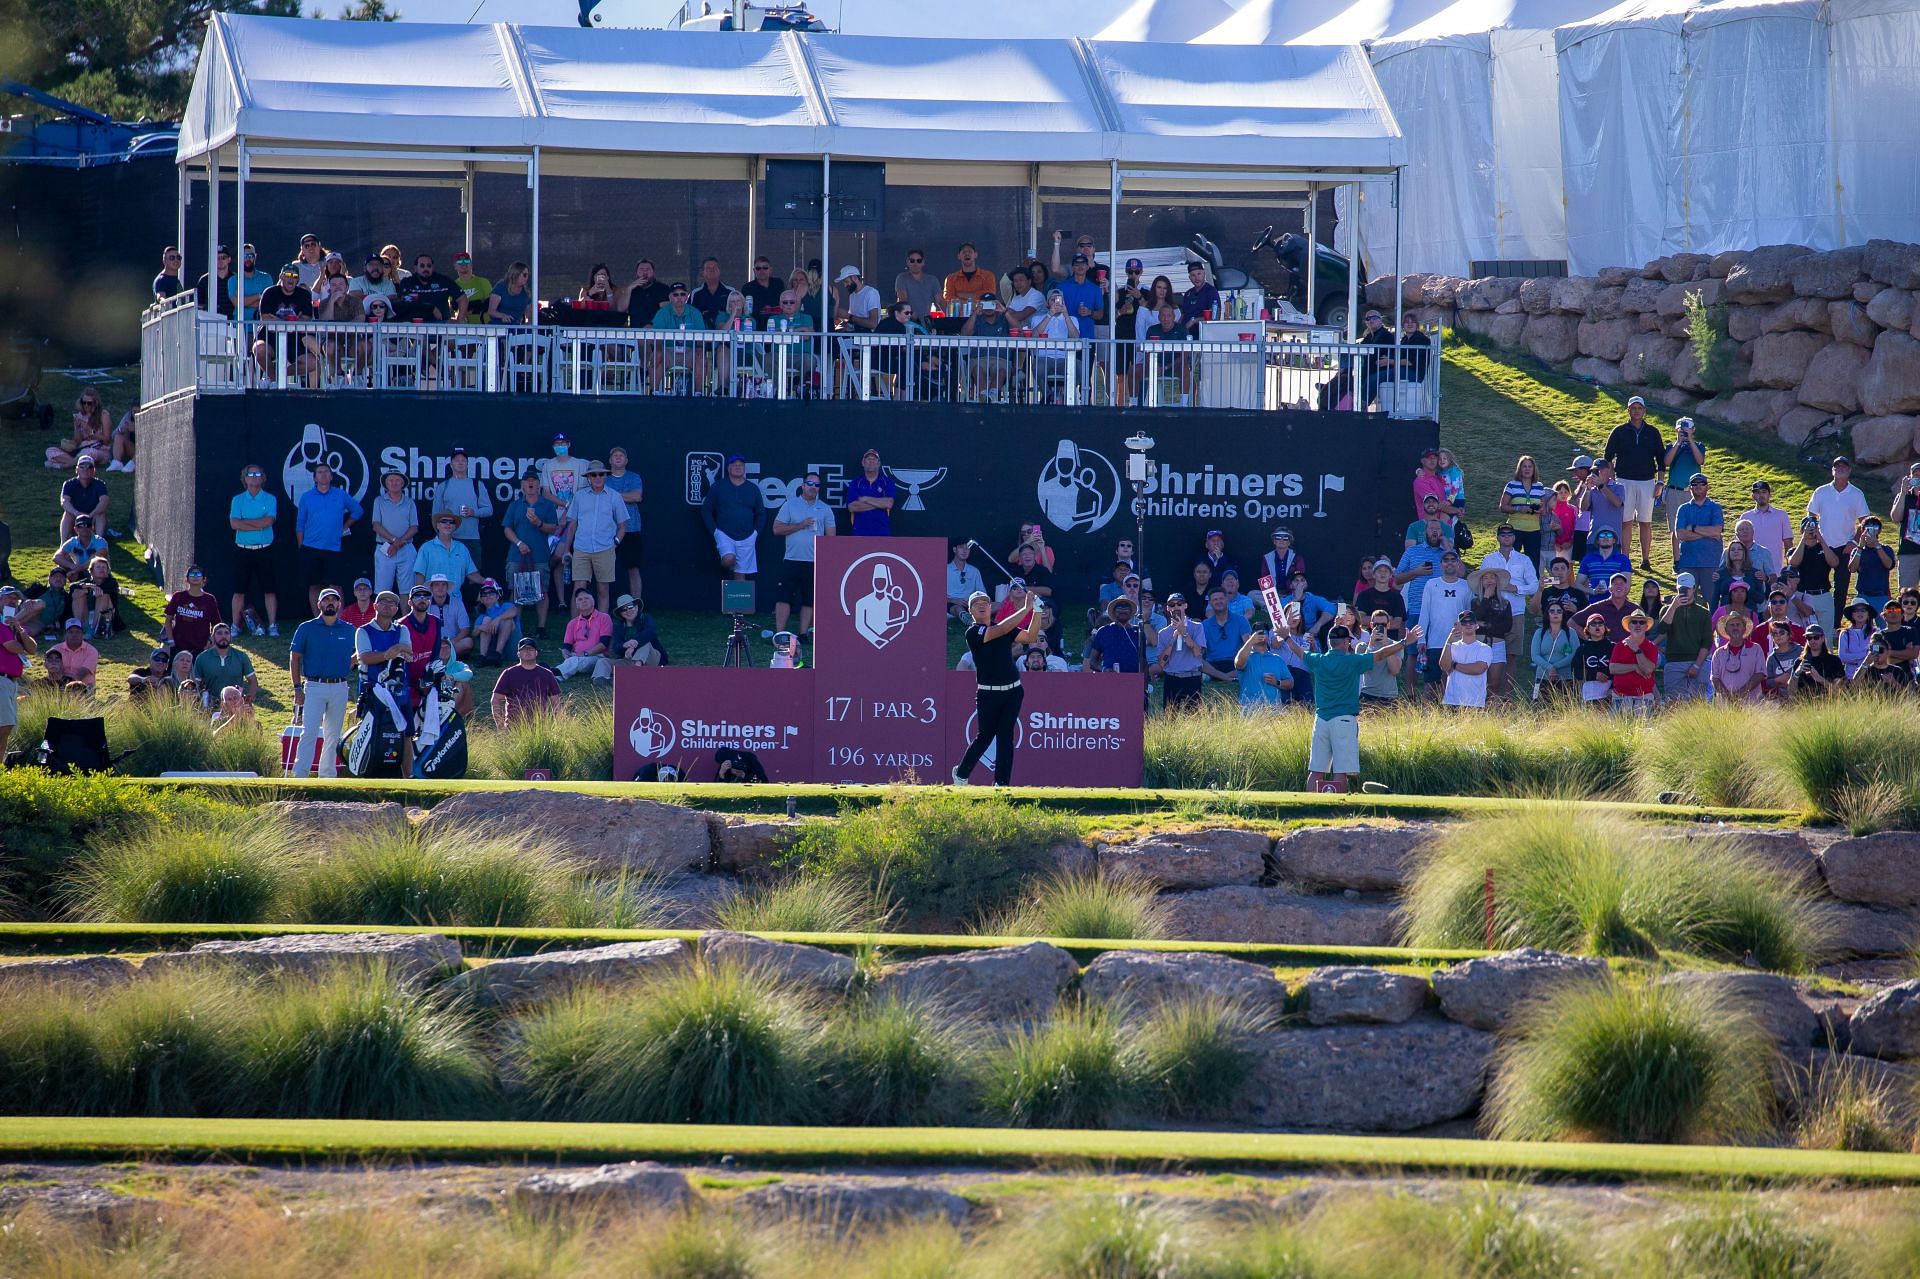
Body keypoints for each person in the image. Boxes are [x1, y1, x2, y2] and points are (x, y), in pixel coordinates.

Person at [289, 587, 355, 778]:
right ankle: (300, 774)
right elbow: (295, 657)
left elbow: (360, 653)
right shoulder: (306, 627)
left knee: (333, 734)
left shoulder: (349, 629)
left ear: (339, 604)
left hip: (339, 686)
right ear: (319, 605)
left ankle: (327, 775)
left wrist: (347, 664)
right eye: (326, 600)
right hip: (314, 685)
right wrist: (297, 688)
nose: (330, 603)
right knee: (309, 731)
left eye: (334, 600)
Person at [1602, 395, 1666, 571]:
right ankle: (1625, 559)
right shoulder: (1619, 431)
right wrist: (1613, 479)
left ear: (1644, 411)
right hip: (1624, 481)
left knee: (1645, 522)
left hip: (1647, 482)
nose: (1636, 411)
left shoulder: (1652, 432)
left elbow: (1661, 459)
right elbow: (1608, 457)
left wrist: (1660, 482)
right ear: (1628, 410)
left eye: (1639, 408)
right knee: (1626, 521)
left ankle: (1645, 560)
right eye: (1633, 408)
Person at [767, 471, 834, 638]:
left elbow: (831, 538)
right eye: (810, 484)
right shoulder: (790, 505)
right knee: (783, 597)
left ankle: (803, 633)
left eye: (817, 485)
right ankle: (780, 633)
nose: (813, 488)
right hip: (791, 559)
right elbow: (777, 529)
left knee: (809, 599)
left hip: (814, 561)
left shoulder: (825, 509)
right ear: (803, 485)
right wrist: (800, 525)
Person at [295, 461, 362, 615]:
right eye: (320, 472)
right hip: (310, 547)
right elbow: (300, 523)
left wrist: (345, 526)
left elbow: (358, 510)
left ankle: (340, 619)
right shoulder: (307, 497)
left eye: (326, 472)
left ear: (331, 476)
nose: (323, 474)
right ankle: (317, 619)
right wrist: (301, 545)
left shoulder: (340, 494)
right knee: (313, 586)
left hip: (333, 547)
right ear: (314, 478)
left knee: (336, 586)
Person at [564, 460, 626, 613]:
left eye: (601, 474)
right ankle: (574, 631)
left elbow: (623, 525)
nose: (597, 477)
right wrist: (566, 549)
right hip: (581, 548)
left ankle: (602, 632)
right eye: (594, 474)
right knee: (578, 590)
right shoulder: (579, 496)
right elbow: (572, 524)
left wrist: (615, 543)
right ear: (589, 477)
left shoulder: (615, 496)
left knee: (603, 590)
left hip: (605, 548)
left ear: (605, 476)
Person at [503, 471, 560, 638]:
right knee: (515, 591)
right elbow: (507, 528)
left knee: (542, 592)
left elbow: (553, 528)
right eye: (527, 481)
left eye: (534, 481)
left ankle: (541, 628)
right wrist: (519, 543)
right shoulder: (515, 505)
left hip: (540, 556)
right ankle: (516, 627)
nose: (530, 484)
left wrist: (539, 523)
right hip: (516, 555)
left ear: (538, 485)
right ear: (522, 485)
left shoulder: (547, 505)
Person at [1808, 456, 1870, 606]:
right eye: (1837, 467)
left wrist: (1854, 542)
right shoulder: (1821, 492)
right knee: (1818, 585)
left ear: (1849, 471)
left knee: (1841, 588)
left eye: (1844, 467)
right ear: (1832, 471)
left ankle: (1836, 624)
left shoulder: (1856, 494)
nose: (1840, 469)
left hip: (1845, 548)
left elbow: (1865, 521)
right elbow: (1811, 514)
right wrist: (1815, 536)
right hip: (1823, 545)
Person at [1417, 549, 1473, 695]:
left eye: (1453, 560)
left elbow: (1469, 616)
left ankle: (1448, 714)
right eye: (1446, 560)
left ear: (1458, 563)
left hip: (1458, 643)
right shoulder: (1431, 584)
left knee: (1452, 684)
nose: (1449, 563)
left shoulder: (1466, 586)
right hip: (1435, 642)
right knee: (1430, 684)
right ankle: (1427, 716)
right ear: (1441, 564)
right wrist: (1421, 639)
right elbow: (1424, 613)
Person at [430, 447, 494, 569]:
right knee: (449, 575)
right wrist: (441, 537)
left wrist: (473, 512)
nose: (460, 463)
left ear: (467, 464)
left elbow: (489, 510)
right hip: (450, 539)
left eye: (463, 460)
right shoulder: (443, 486)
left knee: (473, 577)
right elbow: (435, 515)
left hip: (471, 539)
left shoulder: (477, 485)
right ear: (451, 464)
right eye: (457, 460)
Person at [702, 453, 762, 581]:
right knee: (729, 559)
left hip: (747, 536)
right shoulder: (718, 487)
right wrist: (715, 531)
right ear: (728, 468)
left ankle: (739, 601)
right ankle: (726, 568)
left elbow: (761, 513)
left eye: (741, 465)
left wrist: (756, 533)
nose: (738, 467)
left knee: (741, 574)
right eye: (734, 465)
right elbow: (706, 510)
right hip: (724, 534)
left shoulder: (753, 488)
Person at [1658, 572, 1714, 701]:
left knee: (1700, 703)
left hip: (1698, 662)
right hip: (1674, 662)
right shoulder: (1666, 610)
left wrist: (1697, 665)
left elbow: (1707, 642)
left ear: (1694, 588)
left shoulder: (1703, 613)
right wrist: (1674, 606)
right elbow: (1662, 629)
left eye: (1686, 589)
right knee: (1673, 703)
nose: (1684, 592)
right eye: (1680, 589)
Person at [603, 446, 645, 602]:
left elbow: (636, 497)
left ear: (626, 460)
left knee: (633, 568)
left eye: (621, 455)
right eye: (615, 455)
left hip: (631, 529)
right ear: (610, 460)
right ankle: (603, 607)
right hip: (607, 530)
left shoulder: (634, 477)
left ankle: (636, 605)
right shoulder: (604, 478)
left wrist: (612, 495)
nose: (618, 457)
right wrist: (623, 497)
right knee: (604, 569)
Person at [1672, 473, 1724, 599]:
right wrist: (1707, 534)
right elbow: (1680, 534)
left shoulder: (1715, 507)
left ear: (1708, 487)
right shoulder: (1683, 509)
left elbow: (1717, 531)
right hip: (1688, 563)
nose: (1698, 486)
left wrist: (1693, 528)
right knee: (1686, 602)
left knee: (1712, 603)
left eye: (1702, 483)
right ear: (1690, 488)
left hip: (1712, 563)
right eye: (1694, 484)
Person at [1151, 592, 1206, 710]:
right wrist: (1173, 638)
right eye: (1172, 605)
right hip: (1172, 678)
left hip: (1192, 677)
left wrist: (1184, 632)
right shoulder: (1163, 633)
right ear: (1167, 608)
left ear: (1185, 606)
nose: (1175, 607)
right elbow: (1161, 662)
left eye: (1179, 604)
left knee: (1194, 719)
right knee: (1170, 718)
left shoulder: (1197, 627)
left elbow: (1197, 652)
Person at [1787, 515, 1841, 634]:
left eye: (1814, 527)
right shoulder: (1796, 550)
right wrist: (1803, 539)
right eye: (1808, 527)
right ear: (1802, 530)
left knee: (1825, 635)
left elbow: (1835, 562)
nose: (1811, 530)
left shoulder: (1826, 548)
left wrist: (1821, 539)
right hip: (1803, 595)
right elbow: (1794, 562)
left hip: (1823, 595)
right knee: (1802, 633)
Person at [369, 470, 419, 597]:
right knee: (383, 591)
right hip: (384, 548)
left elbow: (414, 527)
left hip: (406, 548)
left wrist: (397, 544)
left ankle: (406, 616)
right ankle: (383, 617)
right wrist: (393, 540)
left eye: (397, 480)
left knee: (407, 590)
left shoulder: (409, 502)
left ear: (402, 483)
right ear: (386, 484)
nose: (394, 483)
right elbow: (376, 525)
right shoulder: (379, 501)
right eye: (391, 480)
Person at [492, 636, 562, 725]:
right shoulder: (508, 674)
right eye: (524, 649)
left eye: (531, 649)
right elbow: (496, 700)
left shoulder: (547, 674)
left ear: (536, 653)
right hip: (513, 728)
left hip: (541, 729)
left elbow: (556, 702)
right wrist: (500, 726)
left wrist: (558, 727)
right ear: (518, 654)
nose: (527, 651)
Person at [1470, 567, 1515, 699]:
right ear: (1481, 582)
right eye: (1486, 578)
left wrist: (1486, 625)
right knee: (1477, 681)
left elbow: (1507, 626)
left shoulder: (1505, 603)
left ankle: (1491, 710)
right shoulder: (1475, 602)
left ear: (1497, 581)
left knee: (1494, 683)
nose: (1489, 580)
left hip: (1497, 643)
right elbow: (1475, 620)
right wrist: (1486, 598)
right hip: (1479, 643)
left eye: (1492, 577)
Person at [414, 511, 482, 594]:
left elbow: (472, 574)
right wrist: (420, 597)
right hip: (431, 600)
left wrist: (489, 582)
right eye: (444, 521)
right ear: (437, 525)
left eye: (451, 522)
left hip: (455, 599)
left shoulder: (462, 548)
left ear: (455, 527)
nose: (448, 524)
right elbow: (420, 575)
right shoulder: (426, 548)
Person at [191, 621, 257, 706]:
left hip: (236, 705)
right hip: (211, 705)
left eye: (226, 633)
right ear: (213, 637)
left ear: (230, 637)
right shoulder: (202, 658)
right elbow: (195, 684)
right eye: (219, 633)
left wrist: (247, 700)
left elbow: (253, 681)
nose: (223, 636)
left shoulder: (241, 656)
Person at [163, 565, 222, 656]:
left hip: (200, 647)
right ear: (186, 579)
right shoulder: (178, 596)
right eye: (192, 574)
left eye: (198, 574)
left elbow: (217, 625)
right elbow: (168, 620)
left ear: (204, 579)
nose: (195, 576)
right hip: (178, 646)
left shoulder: (209, 599)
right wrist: (171, 640)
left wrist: (210, 641)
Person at [0, 605, 34, 764]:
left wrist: (19, 629)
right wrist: (23, 646)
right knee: (3, 728)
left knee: (6, 728)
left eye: (15, 599)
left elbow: (32, 648)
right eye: (7, 598)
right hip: (1, 679)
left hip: (11, 681)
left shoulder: (15, 627)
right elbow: (12, 647)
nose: (11, 602)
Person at [1662, 416, 1706, 539]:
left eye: (1687, 430)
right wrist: (1678, 442)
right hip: (1674, 491)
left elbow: (1700, 460)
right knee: (1676, 529)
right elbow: (1667, 462)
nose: (1684, 433)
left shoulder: (1699, 446)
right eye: (1681, 430)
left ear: (1693, 430)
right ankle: (1677, 558)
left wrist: (1690, 441)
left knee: (1694, 528)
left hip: (1692, 492)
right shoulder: (1672, 446)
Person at [557, 588, 613, 682]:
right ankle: (555, 677)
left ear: (593, 601)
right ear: (577, 605)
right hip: (576, 658)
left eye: (586, 598)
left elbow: (604, 644)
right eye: (580, 599)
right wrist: (566, 655)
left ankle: (552, 673)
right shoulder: (572, 623)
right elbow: (566, 646)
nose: (583, 601)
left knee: (576, 661)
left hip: (598, 657)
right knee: (574, 661)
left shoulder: (604, 618)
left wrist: (585, 654)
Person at [1608, 610, 1659, 714]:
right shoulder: (1619, 646)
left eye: (1641, 622)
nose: (1638, 625)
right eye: (1634, 622)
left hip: (1644, 697)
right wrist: (1634, 667)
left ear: (1646, 627)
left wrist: (1637, 650)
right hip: (1620, 697)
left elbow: (1648, 669)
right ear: (1629, 626)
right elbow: (1612, 668)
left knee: (1643, 729)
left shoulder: (1651, 647)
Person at [1438, 613, 1492, 708]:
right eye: (1464, 622)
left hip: (1475, 703)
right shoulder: (1451, 646)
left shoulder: (1484, 648)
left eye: (1471, 622)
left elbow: (1478, 669)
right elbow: (1444, 666)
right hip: (1452, 701)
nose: (1468, 625)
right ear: (1457, 626)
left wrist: (1454, 665)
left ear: (1476, 626)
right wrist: (1448, 642)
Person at [1710, 610, 1765, 701]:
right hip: (1725, 706)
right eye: (1732, 625)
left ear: (1744, 628)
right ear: (1726, 629)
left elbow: (1760, 674)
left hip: (1752, 705)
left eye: (1738, 625)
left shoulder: (1756, 649)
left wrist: (1740, 694)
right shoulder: (1718, 653)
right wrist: (1728, 697)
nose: (1735, 628)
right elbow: (1715, 678)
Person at [1086, 597, 1145, 675]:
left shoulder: (1138, 632)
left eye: (1126, 608)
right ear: (1113, 612)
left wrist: (1144, 682)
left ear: (1131, 613)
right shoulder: (1103, 631)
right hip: (1110, 680)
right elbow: (1092, 662)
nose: (1123, 610)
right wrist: (1104, 670)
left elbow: (1144, 660)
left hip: (1134, 680)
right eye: (1119, 607)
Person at [1530, 601, 1577, 699]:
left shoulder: (1571, 633)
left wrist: (1554, 667)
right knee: (1538, 706)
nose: (1556, 613)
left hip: (1565, 678)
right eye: (1552, 611)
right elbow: (1535, 656)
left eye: (1559, 611)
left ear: (1563, 614)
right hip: (1542, 677)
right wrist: (1549, 667)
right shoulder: (1539, 633)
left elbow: (1573, 655)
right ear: (1547, 614)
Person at [845, 449, 896, 536]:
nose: (871, 461)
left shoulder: (887, 482)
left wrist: (865, 499)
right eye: (868, 459)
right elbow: (852, 507)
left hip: (882, 531)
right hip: (859, 531)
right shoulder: (856, 482)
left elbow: (888, 504)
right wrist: (879, 503)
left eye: (874, 459)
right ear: (863, 462)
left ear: (878, 463)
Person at [468, 580, 520, 666]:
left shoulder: (506, 606)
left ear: (497, 596)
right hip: (491, 650)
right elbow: (473, 634)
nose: (488, 596)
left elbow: (514, 612)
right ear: (481, 599)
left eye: (491, 593)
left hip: (512, 649)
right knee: (486, 620)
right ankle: (482, 657)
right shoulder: (482, 616)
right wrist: (481, 627)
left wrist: (498, 619)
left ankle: (498, 653)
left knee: (507, 621)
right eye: (484, 594)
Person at [1850, 516, 1895, 613]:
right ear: (1863, 530)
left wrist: (1877, 546)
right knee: (1861, 625)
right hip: (1863, 596)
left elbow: (1889, 565)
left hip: (1881, 596)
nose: (1871, 531)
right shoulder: (1858, 550)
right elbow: (1852, 568)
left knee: (1885, 625)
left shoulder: (1886, 549)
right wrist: (1860, 548)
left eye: (1874, 528)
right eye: (1867, 528)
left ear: (1879, 531)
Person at [610, 594, 664, 667]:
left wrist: (633, 645)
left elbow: (650, 633)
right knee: (603, 661)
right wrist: (624, 645)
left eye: (630, 606)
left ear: (636, 607)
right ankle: (600, 677)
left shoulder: (645, 618)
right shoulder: (618, 626)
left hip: (651, 658)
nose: (628, 610)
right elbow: (616, 648)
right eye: (623, 609)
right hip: (629, 660)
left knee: (646, 644)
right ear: (620, 613)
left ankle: (636, 670)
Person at [1890, 462, 1920, 594]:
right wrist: (1902, 492)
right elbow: (1895, 517)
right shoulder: (1904, 497)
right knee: (1906, 594)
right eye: (1916, 475)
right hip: (1909, 551)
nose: (1918, 479)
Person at [1577, 528, 1632, 595]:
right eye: (1602, 535)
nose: (1605, 537)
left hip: (1616, 603)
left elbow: (1626, 588)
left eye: (1609, 535)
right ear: (1597, 541)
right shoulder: (1588, 559)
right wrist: (1592, 591)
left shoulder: (1623, 559)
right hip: (1594, 603)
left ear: (1614, 540)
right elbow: (1577, 584)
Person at [943, 242, 994, 312]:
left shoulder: (988, 276)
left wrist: (960, 295)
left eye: (970, 251)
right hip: (958, 319)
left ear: (975, 255)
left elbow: (989, 297)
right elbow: (948, 300)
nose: (967, 254)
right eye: (964, 252)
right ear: (958, 256)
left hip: (981, 319)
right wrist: (975, 302)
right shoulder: (950, 278)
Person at [893, 248, 940, 321]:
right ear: (907, 262)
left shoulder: (933, 280)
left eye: (919, 261)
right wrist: (911, 314)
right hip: (906, 323)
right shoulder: (902, 278)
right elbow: (903, 300)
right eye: (912, 261)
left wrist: (950, 317)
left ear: (923, 262)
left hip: (926, 325)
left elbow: (940, 301)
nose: (915, 263)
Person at [1836, 598, 1879, 679]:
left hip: (1871, 675)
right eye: (1856, 610)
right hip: (1850, 676)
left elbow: (1876, 654)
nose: (1860, 613)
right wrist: (1866, 655)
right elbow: (1843, 657)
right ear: (1852, 614)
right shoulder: (1845, 633)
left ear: (1868, 614)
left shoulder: (1876, 632)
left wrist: (1853, 657)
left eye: (1863, 610)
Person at [946, 541, 987, 622]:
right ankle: (967, 618)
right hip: (953, 604)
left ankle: (972, 615)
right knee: (958, 608)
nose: (964, 551)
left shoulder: (974, 571)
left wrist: (973, 601)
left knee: (998, 605)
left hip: (971, 604)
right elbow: (936, 596)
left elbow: (982, 593)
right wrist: (953, 600)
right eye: (961, 547)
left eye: (967, 548)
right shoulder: (945, 569)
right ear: (954, 549)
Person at [1763, 621, 1803, 699]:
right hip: (1783, 700)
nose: (1778, 636)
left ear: (1789, 635)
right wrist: (1778, 680)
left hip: (1803, 696)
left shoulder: (1800, 651)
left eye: (1781, 632)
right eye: (1774, 633)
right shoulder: (1771, 658)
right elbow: (1767, 683)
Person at [196, 245, 235, 317]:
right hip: (210, 322)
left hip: (233, 323)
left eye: (223, 258)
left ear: (229, 259)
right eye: (217, 258)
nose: (220, 260)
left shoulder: (235, 279)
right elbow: (199, 304)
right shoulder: (204, 280)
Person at [488, 261, 533, 325]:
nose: (527, 277)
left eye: (528, 275)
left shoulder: (526, 292)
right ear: (516, 274)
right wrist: (502, 316)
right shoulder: (501, 287)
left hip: (516, 327)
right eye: (524, 275)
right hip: (498, 327)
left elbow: (529, 314)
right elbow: (491, 311)